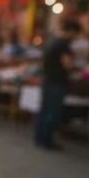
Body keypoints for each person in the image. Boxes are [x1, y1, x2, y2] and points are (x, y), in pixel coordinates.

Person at [34, 20, 82, 149]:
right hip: (57, 81)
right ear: (72, 31)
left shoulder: (51, 42)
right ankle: (47, 139)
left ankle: (40, 137)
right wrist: (75, 68)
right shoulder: (63, 45)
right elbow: (66, 64)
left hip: (47, 79)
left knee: (44, 109)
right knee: (53, 111)